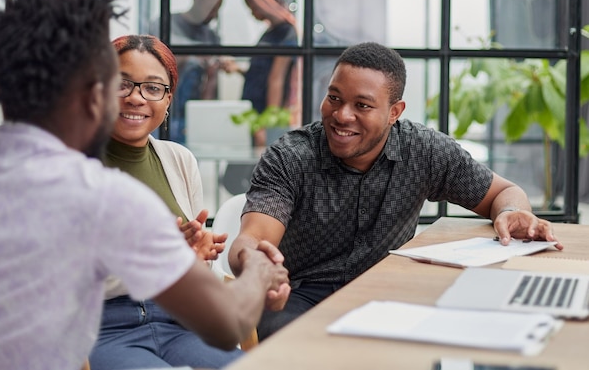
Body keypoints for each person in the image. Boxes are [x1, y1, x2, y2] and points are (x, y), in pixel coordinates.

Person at [0, 0, 288, 370]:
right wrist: (256, 266)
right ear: (94, 91)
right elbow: (228, 323)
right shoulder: (104, 196)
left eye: (152, 87)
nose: (133, 96)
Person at [227, 41, 562, 340]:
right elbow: (253, 238)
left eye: (362, 105)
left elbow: (504, 193)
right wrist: (255, 265)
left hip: (388, 292)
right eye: (334, 98)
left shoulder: (424, 150)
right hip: (300, 294)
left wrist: (511, 212)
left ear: (394, 112)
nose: (342, 115)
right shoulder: (290, 156)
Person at [88, 34, 242, 370]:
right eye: (122, 84)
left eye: (153, 88)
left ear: (168, 99)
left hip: (180, 323)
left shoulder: (179, 160)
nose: (136, 98)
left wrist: (194, 258)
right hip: (101, 329)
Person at [221, 0, 299, 146]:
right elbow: (262, 71)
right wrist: (238, 69)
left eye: (252, 7)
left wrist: (267, 123)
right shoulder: (271, 32)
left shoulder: (286, 33)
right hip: (254, 110)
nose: (252, 12)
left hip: (265, 113)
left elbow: (276, 79)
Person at [151, 0, 223, 144]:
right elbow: (153, 63)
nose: (214, 14)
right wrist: (194, 56)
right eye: (211, 7)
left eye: (217, 8)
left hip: (192, 119)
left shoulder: (211, 36)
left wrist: (213, 72)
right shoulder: (165, 24)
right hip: (161, 113)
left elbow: (210, 87)